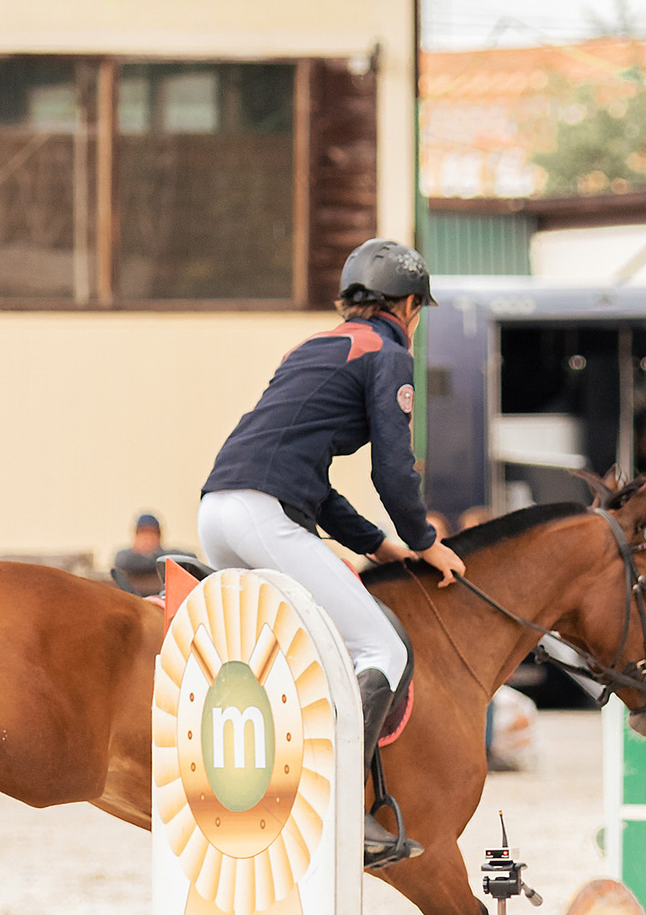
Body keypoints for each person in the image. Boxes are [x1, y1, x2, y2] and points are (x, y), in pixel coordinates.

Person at [198, 237, 466, 866]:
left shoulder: (309, 348)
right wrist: (426, 542)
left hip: (218, 511)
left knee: (287, 659)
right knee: (384, 649)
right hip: (265, 515)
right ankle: (345, 813)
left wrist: (379, 545)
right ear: (408, 306)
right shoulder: (388, 354)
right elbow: (393, 473)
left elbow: (313, 486)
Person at [110, 513, 166, 595]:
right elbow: (122, 561)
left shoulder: (167, 556)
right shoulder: (124, 556)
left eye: (152, 534)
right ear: (136, 536)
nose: (148, 539)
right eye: (143, 534)